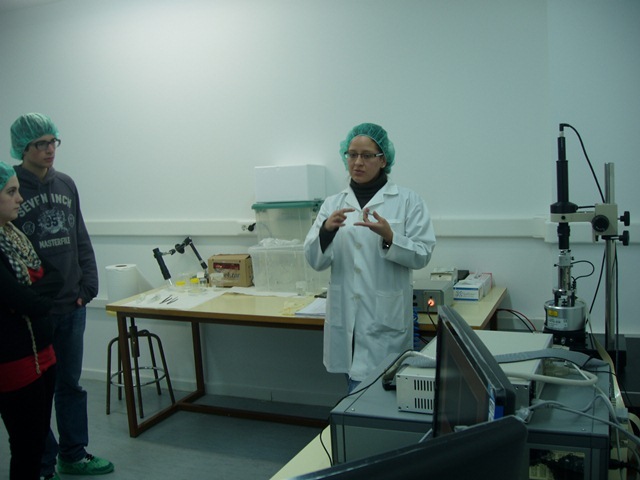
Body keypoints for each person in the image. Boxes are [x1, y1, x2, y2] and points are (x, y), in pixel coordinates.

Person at [9, 113, 114, 479]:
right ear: (23, 148)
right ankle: (42, 464)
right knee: (36, 394)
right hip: (36, 312)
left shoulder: (66, 184)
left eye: (52, 142)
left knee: (70, 385)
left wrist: (89, 286)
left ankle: (74, 453)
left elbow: (79, 236)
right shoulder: (12, 188)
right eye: (40, 143)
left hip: (73, 304)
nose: (49, 149)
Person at [304, 123, 436, 393]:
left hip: (384, 320)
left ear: (383, 159)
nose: (357, 162)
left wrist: (390, 237)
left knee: (380, 396)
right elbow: (315, 260)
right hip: (346, 320)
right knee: (355, 391)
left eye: (366, 155)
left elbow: (422, 254)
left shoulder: (408, 201)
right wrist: (326, 231)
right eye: (352, 155)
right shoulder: (332, 204)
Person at [0, 162, 63, 480]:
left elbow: (56, 276)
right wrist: (31, 302)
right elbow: (22, 300)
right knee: (26, 445)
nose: (20, 198)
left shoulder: (15, 235)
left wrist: (29, 301)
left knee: (37, 440)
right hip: (15, 359)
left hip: (42, 351)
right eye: (11, 192)